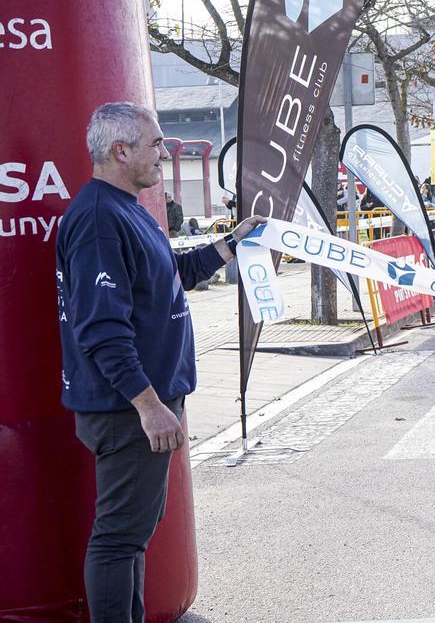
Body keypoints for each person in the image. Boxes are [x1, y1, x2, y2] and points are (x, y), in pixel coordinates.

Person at [56, 103, 265, 623]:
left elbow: (169, 273)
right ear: (119, 151)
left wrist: (229, 244)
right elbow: (101, 329)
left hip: (141, 404)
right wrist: (148, 405)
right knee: (119, 536)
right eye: (155, 144)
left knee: (133, 535)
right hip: (127, 410)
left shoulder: (127, 207)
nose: (164, 152)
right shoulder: (100, 220)